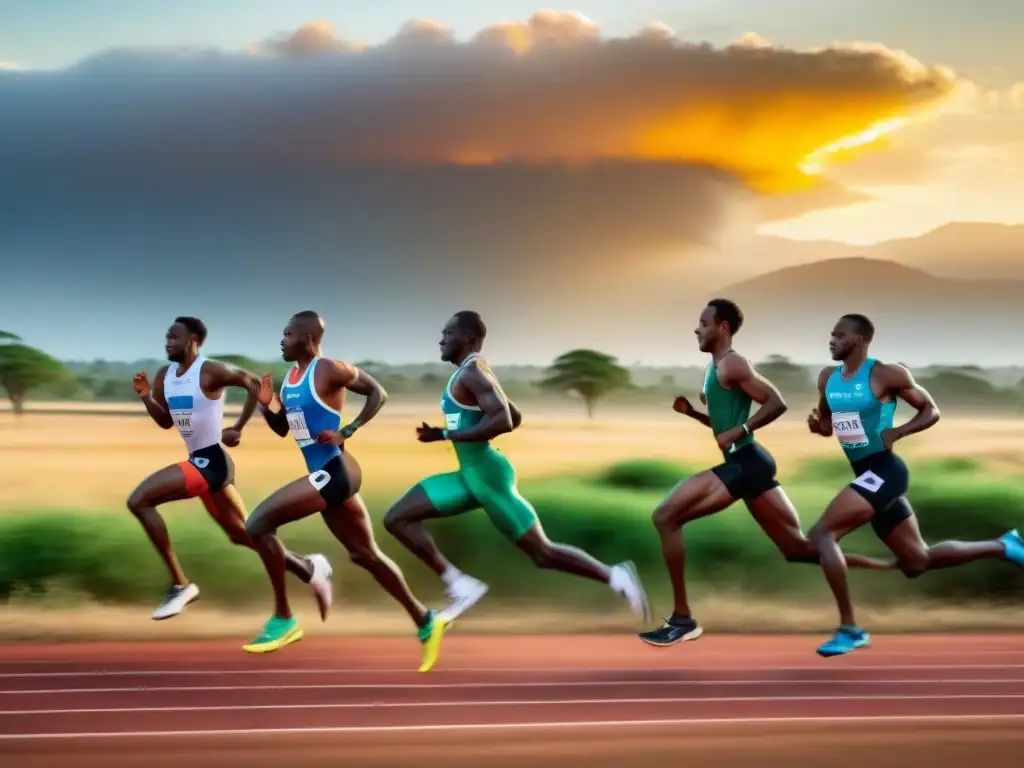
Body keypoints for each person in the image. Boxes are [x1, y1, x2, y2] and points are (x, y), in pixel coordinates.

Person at [638, 300, 894, 648]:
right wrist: (695, 415)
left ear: (723, 327)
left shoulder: (733, 363)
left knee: (666, 516)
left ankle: (683, 619)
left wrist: (741, 430)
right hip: (752, 467)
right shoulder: (716, 368)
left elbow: (776, 402)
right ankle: (893, 565)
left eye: (703, 322)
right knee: (799, 550)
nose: (696, 329)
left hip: (746, 463)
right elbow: (723, 428)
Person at [383, 310, 650, 628]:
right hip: (470, 475)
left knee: (542, 553)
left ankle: (616, 575)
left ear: (468, 338)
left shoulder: (473, 373)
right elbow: (515, 415)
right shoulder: (471, 372)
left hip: (487, 476)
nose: (441, 338)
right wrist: (462, 431)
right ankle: (460, 584)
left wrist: (445, 434)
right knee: (397, 518)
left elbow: (505, 420)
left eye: (448, 332)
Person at [806, 313, 1024, 657]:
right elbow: (829, 423)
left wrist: (899, 431)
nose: (831, 340)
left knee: (821, 535)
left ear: (859, 340)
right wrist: (819, 427)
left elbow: (930, 410)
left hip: (886, 471)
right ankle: (1004, 545)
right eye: (830, 334)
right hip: (866, 476)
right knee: (917, 562)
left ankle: (850, 629)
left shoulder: (886, 374)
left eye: (838, 335)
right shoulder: (827, 379)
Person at [245, 311, 447, 670]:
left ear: (307, 338)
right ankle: (425, 620)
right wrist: (266, 404)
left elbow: (377, 392)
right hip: (323, 474)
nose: (281, 339)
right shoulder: (290, 379)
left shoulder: (327, 369)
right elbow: (282, 429)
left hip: (335, 471)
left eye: (288, 333)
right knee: (364, 554)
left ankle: (284, 618)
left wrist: (348, 430)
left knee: (257, 525)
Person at [129, 316, 331, 621]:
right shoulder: (164, 376)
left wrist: (238, 427)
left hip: (211, 462)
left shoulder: (210, 370)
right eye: (167, 337)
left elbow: (254, 384)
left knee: (139, 500)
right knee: (243, 534)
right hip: (203, 463)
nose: (168, 342)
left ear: (193, 340)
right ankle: (309, 567)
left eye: (174, 337)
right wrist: (146, 397)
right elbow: (165, 421)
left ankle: (180, 585)